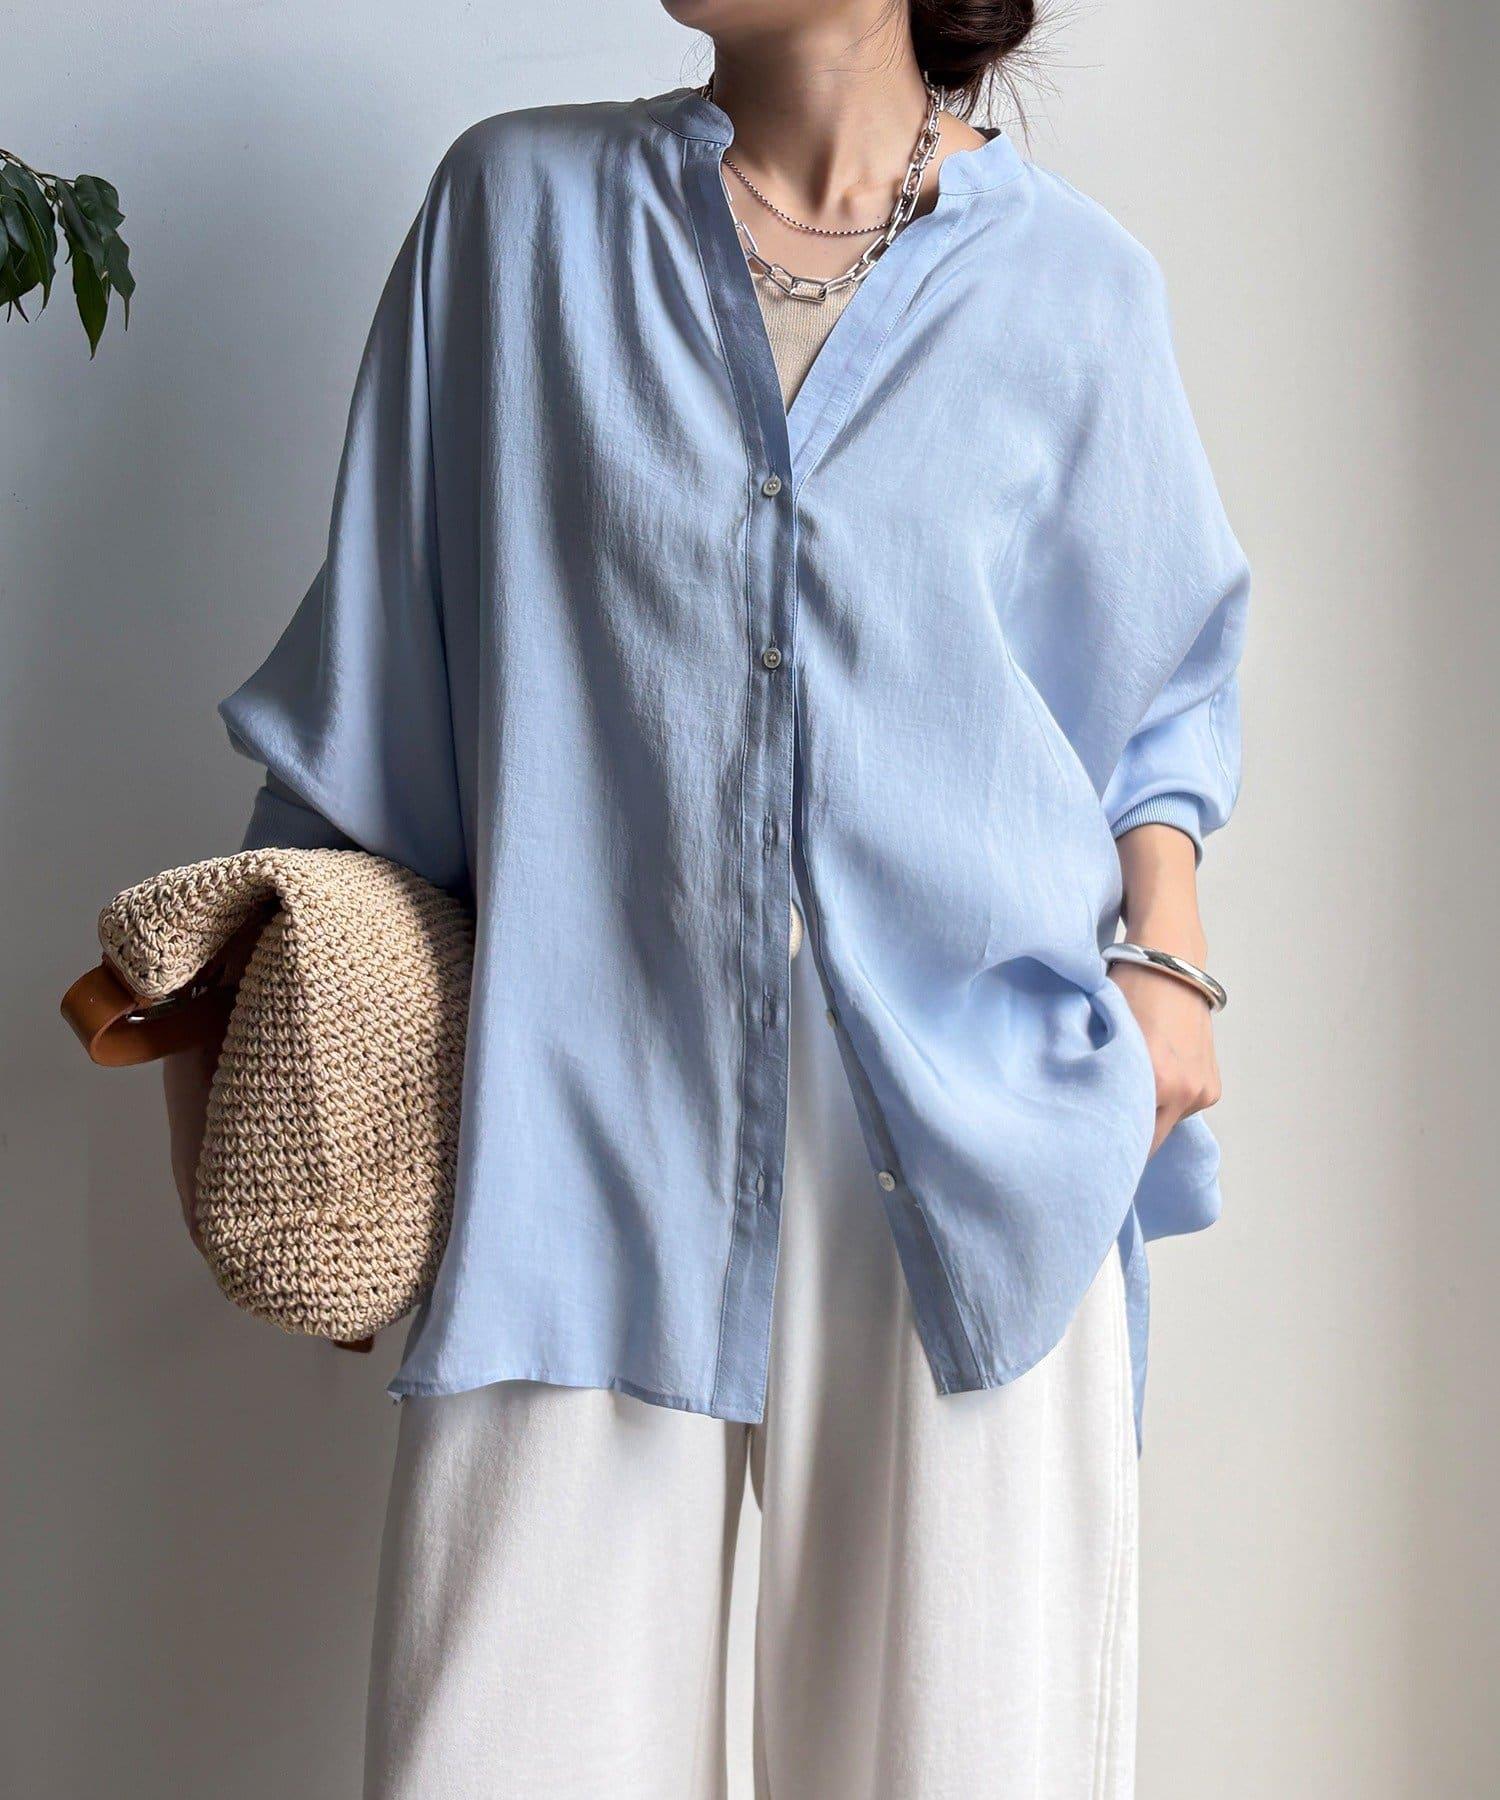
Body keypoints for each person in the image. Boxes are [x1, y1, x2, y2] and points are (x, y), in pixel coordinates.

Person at [164, 1, 1249, 1792]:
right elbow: (380, 674)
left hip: (972, 1136)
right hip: (582, 1110)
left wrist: (1169, 965)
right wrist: (268, 1004)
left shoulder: (1080, 292)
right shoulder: (514, 218)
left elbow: (1159, 699)